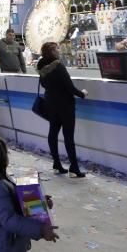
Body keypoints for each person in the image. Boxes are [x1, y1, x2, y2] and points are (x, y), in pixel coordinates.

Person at [0, 134, 59, 251]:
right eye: (5, 154)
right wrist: (40, 230)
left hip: (5, 243)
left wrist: (40, 203)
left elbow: (12, 204)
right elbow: (10, 220)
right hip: (3, 246)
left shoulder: (0, 179)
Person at [37, 41, 87, 177]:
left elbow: (44, 84)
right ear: (52, 51)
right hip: (65, 104)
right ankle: (74, 168)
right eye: (57, 49)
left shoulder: (41, 66)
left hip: (50, 103)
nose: (59, 51)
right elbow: (69, 87)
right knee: (68, 136)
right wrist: (82, 94)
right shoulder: (58, 66)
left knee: (53, 133)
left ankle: (57, 164)